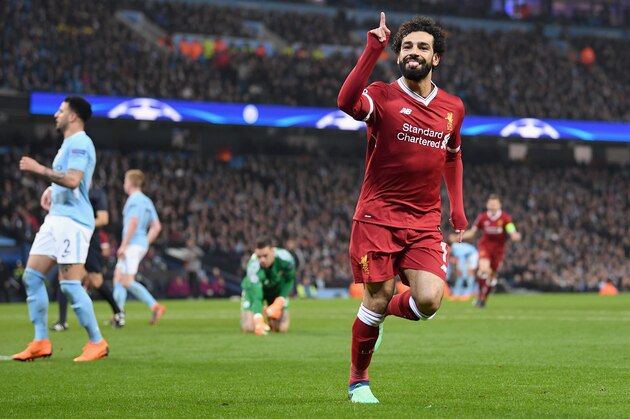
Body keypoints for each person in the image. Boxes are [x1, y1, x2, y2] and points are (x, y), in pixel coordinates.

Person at [337, 13, 467, 403]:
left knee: (428, 301)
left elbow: (453, 156)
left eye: (422, 47)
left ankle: (387, 305)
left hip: (425, 220)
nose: (414, 52)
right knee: (375, 298)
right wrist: (372, 48)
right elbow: (346, 102)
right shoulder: (381, 95)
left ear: (435, 58)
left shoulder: (452, 107)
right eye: (407, 47)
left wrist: (457, 210)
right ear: (399, 56)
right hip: (378, 216)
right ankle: (359, 381)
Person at [13, 96, 108, 362]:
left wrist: (39, 170)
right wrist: (51, 190)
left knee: (69, 286)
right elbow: (70, 180)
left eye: (61, 110)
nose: (56, 114)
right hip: (56, 218)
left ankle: (97, 342)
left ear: (73, 116)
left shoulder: (80, 142)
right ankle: (41, 340)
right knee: (31, 277)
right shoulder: (68, 143)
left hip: (72, 222)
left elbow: (74, 179)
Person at [48, 184, 125, 331]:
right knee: (64, 276)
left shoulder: (96, 193)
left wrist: (81, 225)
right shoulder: (69, 191)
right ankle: (62, 321)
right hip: (70, 237)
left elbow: (103, 219)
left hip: (89, 239)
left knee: (96, 281)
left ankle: (118, 311)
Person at [112, 170, 166, 325]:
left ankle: (155, 306)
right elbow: (157, 227)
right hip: (139, 243)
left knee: (127, 281)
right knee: (118, 276)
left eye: (125, 181)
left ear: (130, 182)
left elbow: (133, 223)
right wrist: (146, 242)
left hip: (132, 244)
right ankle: (118, 314)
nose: (124, 184)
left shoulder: (133, 200)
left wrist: (124, 245)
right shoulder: (147, 201)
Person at [457, 194, 521, 307]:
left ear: (499, 205)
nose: (493, 206)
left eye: (495, 204)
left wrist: (514, 234)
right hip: (485, 247)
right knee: (483, 269)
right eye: (491, 204)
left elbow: (511, 229)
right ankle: (480, 296)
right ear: (487, 205)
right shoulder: (483, 217)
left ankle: (483, 298)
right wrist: (461, 236)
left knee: (492, 276)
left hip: (498, 250)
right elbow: (473, 232)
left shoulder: (505, 218)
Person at [240, 237, 296, 336]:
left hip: (276, 291)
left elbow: (289, 279)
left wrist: (280, 300)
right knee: (249, 328)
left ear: (272, 251)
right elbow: (257, 297)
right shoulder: (253, 266)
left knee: (281, 328)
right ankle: (258, 316)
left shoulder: (286, 258)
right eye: (259, 256)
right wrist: (258, 319)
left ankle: (270, 313)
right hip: (254, 292)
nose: (262, 260)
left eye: (265, 256)